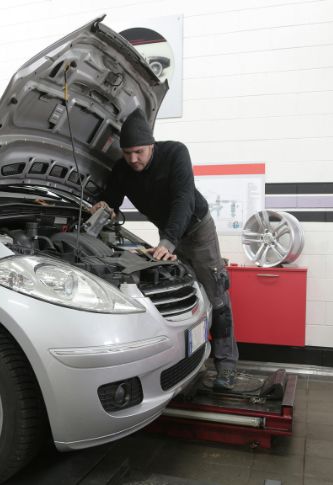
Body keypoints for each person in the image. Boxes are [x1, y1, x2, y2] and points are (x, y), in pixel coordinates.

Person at [91, 110, 239, 391]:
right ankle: (190, 363)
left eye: (139, 152)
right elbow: (112, 201)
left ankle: (227, 366)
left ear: (152, 145)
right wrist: (103, 206)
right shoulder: (122, 169)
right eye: (127, 153)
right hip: (168, 234)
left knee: (216, 294)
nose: (133, 159)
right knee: (184, 295)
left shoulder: (175, 154)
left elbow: (184, 199)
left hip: (197, 229)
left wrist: (168, 242)